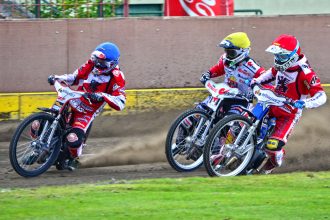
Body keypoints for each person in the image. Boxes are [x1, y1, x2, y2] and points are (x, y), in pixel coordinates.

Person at [176, 32, 265, 160]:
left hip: (241, 101)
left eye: (231, 52)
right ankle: (181, 142)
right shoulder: (224, 59)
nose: (228, 54)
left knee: (229, 124)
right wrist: (208, 74)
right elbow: (219, 68)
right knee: (199, 110)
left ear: (243, 51)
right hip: (223, 95)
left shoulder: (253, 67)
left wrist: (255, 89)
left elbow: (265, 80)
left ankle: (217, 152)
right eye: (226, 51)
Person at [250, 34, 327, 173]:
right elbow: (271, 73)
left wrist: (304, 103)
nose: (279, 59)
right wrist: (257, 81)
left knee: (272, 146)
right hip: (271, 102)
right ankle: (224, 151)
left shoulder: (306, 73)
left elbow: (321, 96)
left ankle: (274, 162)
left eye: (282, 56)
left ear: (293, 55)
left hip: (289, 113)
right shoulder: (281, 65)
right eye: (277, 55)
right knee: (247, 119)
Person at [45, 42, 126, 170]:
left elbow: (121, 102)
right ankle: (36, 149)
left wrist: (102, 96)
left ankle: (72, 158)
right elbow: (74, 78)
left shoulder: (117, 77)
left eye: (102, 62)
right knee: (38, 124)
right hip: (72, 100)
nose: (97, 64)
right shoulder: (90, 64)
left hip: (87, 112)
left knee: (73, 139)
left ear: (112, 64)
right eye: (96, 59)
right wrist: (57, 78)